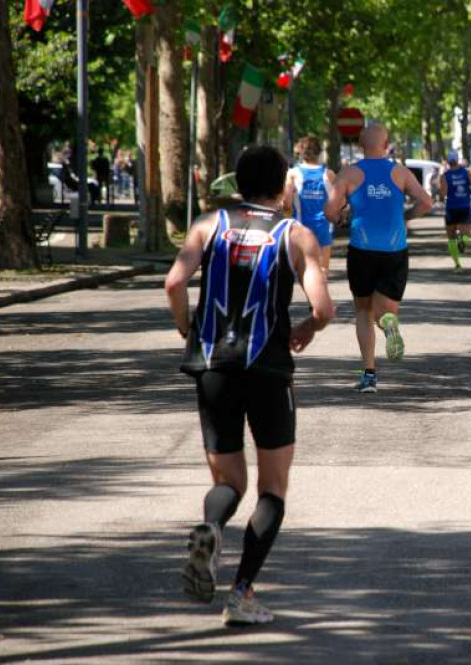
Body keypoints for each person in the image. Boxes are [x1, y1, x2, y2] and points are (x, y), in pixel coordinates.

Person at [164, 145, 336, 626]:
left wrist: (187, 328)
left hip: (213, 366)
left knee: (228, 482)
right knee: (272, 488)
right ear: (283, 186)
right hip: (268, 367)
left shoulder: (207, 225)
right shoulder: (294, 234)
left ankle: (212, 526)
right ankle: (241, 593)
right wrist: (307, 328)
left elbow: (174, 284)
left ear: (238, 183)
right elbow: (324, 309)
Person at [325, 124, 433, 393]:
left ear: (361, 145)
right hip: (395, 249)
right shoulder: (400, 172)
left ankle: (369, 375)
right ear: (386, 146)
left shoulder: (349, 173)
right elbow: (426, 202)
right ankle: (389, 324)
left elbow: (329, 209)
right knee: (386, 311)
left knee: (363, 311)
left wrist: (340, 219)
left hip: (362, 248)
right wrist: (406, 217)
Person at [282, 135, 336, 274]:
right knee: (323, 271)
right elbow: (337, 203)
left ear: (300, 151)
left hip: (301, 227)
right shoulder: (329, 174)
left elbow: (286, 204)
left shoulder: (292, 174)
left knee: (304, 271)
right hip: (324, 228)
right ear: (319, 152)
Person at [438, 151, 471, 271]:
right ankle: (462, 241)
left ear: (448, 161)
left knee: (451, 238)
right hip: (464, 206)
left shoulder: (445, 175)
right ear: (457, 160)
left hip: (451, 208)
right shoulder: (466, 173)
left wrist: (440, 193)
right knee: (466, 233)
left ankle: (457, 264)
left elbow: (443, 193)